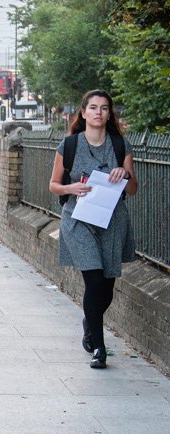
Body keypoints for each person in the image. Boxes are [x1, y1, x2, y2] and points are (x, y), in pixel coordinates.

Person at [48, 89, 137, 369]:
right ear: (83, 113)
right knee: (94, 280)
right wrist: (70, 187)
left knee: (107, 287)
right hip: (78, 219)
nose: (99, 112)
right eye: (93, 107)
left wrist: (125, 175)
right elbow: (53, 185)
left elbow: (133, 190)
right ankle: (99, 347)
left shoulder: (120, 145)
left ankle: (90, 320)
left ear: (109, 114)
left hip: (112, 221)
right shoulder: (70, 145)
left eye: (104, 108)